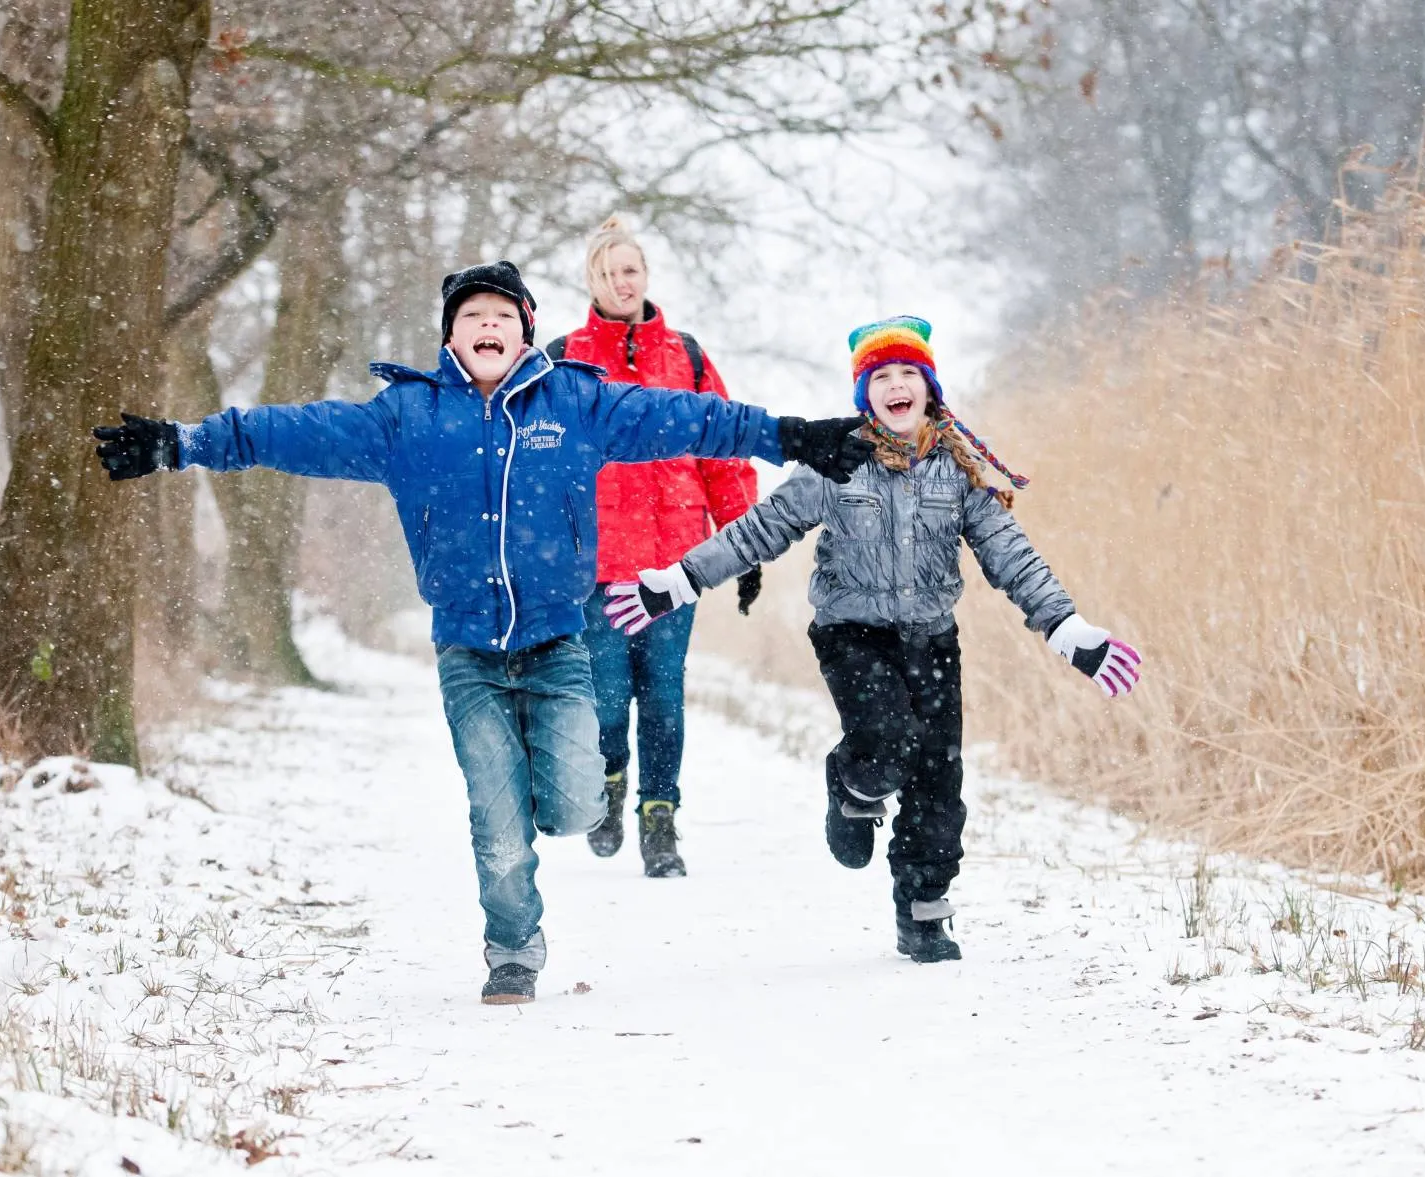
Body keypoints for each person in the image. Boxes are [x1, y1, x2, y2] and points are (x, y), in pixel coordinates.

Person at [92, 261, 874, 1004]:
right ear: (451, 337)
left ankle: (547, 785)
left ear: (527, 333)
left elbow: (684, 418)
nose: (488, 325)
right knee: (496, 822)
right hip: (468, 653)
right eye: (474, 317)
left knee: (573, 806)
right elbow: (297, 431)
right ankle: (512, 947)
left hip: (558, 645)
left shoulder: (575, 404)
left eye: (504, 315)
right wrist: (182, 442)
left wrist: (790, 435)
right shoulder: (410, 416)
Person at [603, 315, 1142, 963]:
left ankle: (923, 911)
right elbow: (760, 531)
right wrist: (681, 580)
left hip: (932, 639)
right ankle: (852, 785)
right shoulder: (839, 462)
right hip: (850, 633)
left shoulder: (959, 469)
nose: (895, 385)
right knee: (887, 740)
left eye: (907, 373)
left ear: (929, 387)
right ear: (865, 393)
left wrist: (1065, 626)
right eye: (880, 376)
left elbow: (1009, 553)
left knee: (939, 780)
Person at [545, 217, 760, 878]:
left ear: (645, 276)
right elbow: (538, 464)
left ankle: (660, 820)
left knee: (663, 695)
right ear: (593, 282)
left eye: (630, 269)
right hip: (598, 564)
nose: (621, 281)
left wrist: (743, 544)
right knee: (606, 696)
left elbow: (722, 449)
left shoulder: (686, 356)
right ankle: (609, 785)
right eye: (608, 272)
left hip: (675, 559)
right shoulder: (561, 358)